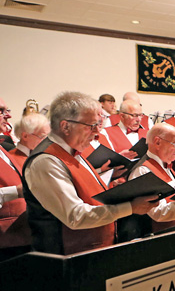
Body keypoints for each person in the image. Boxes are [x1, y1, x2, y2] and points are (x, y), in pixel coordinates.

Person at [23, 91, 157, 255]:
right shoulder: (46, 161)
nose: (97, 133)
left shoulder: (74, 152)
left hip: (93, 250)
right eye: (91, 126)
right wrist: (130, 207)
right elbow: (75, 216)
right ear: (65, 126)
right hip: (67, 257)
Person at [0, 111, 49, 260]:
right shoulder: (15, 154)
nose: (9, 115)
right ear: (25, 136)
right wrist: (17, 191)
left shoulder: (3, 151)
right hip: (8, 239)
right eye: (1, 111)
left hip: (28, 233)